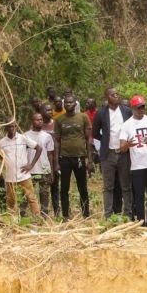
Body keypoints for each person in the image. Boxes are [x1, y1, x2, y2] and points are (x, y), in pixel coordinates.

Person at [119, 96, 147, 227]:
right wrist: (128, 144)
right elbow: (121, 148)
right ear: (132, 108)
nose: (141, 110)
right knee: (138, 195)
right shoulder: (127, 125)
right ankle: (141, 221)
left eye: (143, 107)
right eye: (139, 107)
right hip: (137, 165)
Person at [52, 92, 93, 220]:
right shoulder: (59, 120)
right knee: (64, 188)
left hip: (80, 157)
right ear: (64, 104)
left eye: (71, 102)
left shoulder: (83, 117)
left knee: (83, 187)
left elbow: (88, 140)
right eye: (67, 102)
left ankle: (86, 214)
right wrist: (57, 162)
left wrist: (90, 160)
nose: (69, 104)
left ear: (75, 104)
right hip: (65, 158)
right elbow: (57, 141)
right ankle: (65, 215)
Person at [93, 88, 132, 217]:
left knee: (126, 185)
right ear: (107, 97)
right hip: (108, 154)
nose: (116, 96)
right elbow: (95, 133)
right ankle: (108, 215)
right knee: (108, 187)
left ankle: (128, 213)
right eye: (113, 94)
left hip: (124, 153)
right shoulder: (101, 113)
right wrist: (105, 140)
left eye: (117, 94)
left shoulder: (126, 111)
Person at [0, 119, 42, 219]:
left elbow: (39, 148)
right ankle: (12, 220)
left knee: (31, 198)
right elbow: (1, 156)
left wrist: (31, 165)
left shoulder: (23, 138)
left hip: (24, 175)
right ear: (6, 127)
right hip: (10, 177)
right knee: (11, 200)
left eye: (14, 126)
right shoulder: (2, 142)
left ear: (16, 127)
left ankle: (38, 218)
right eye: (9, 126)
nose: (12, 128)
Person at [23, 111, 54, 218]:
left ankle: (44, 216)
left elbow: (50, 155)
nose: (40, 121)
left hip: (44, 170)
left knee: (44, 194)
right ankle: (22, 215)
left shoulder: (47, 136)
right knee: (27, 195)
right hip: (29, 171)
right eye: (37, 119)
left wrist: (51, 171)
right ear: (32, 121)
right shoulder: (25, 136)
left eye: (41, 119)